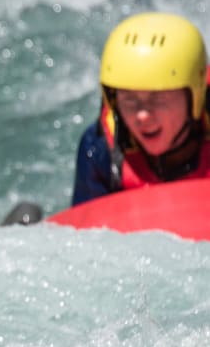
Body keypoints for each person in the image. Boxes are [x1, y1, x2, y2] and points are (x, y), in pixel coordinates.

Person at [72, 12, 210, 205]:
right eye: (129, 100)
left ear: (195, 93)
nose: (143, 115)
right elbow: (86, 229)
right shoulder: (99, 148)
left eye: (158, 98)